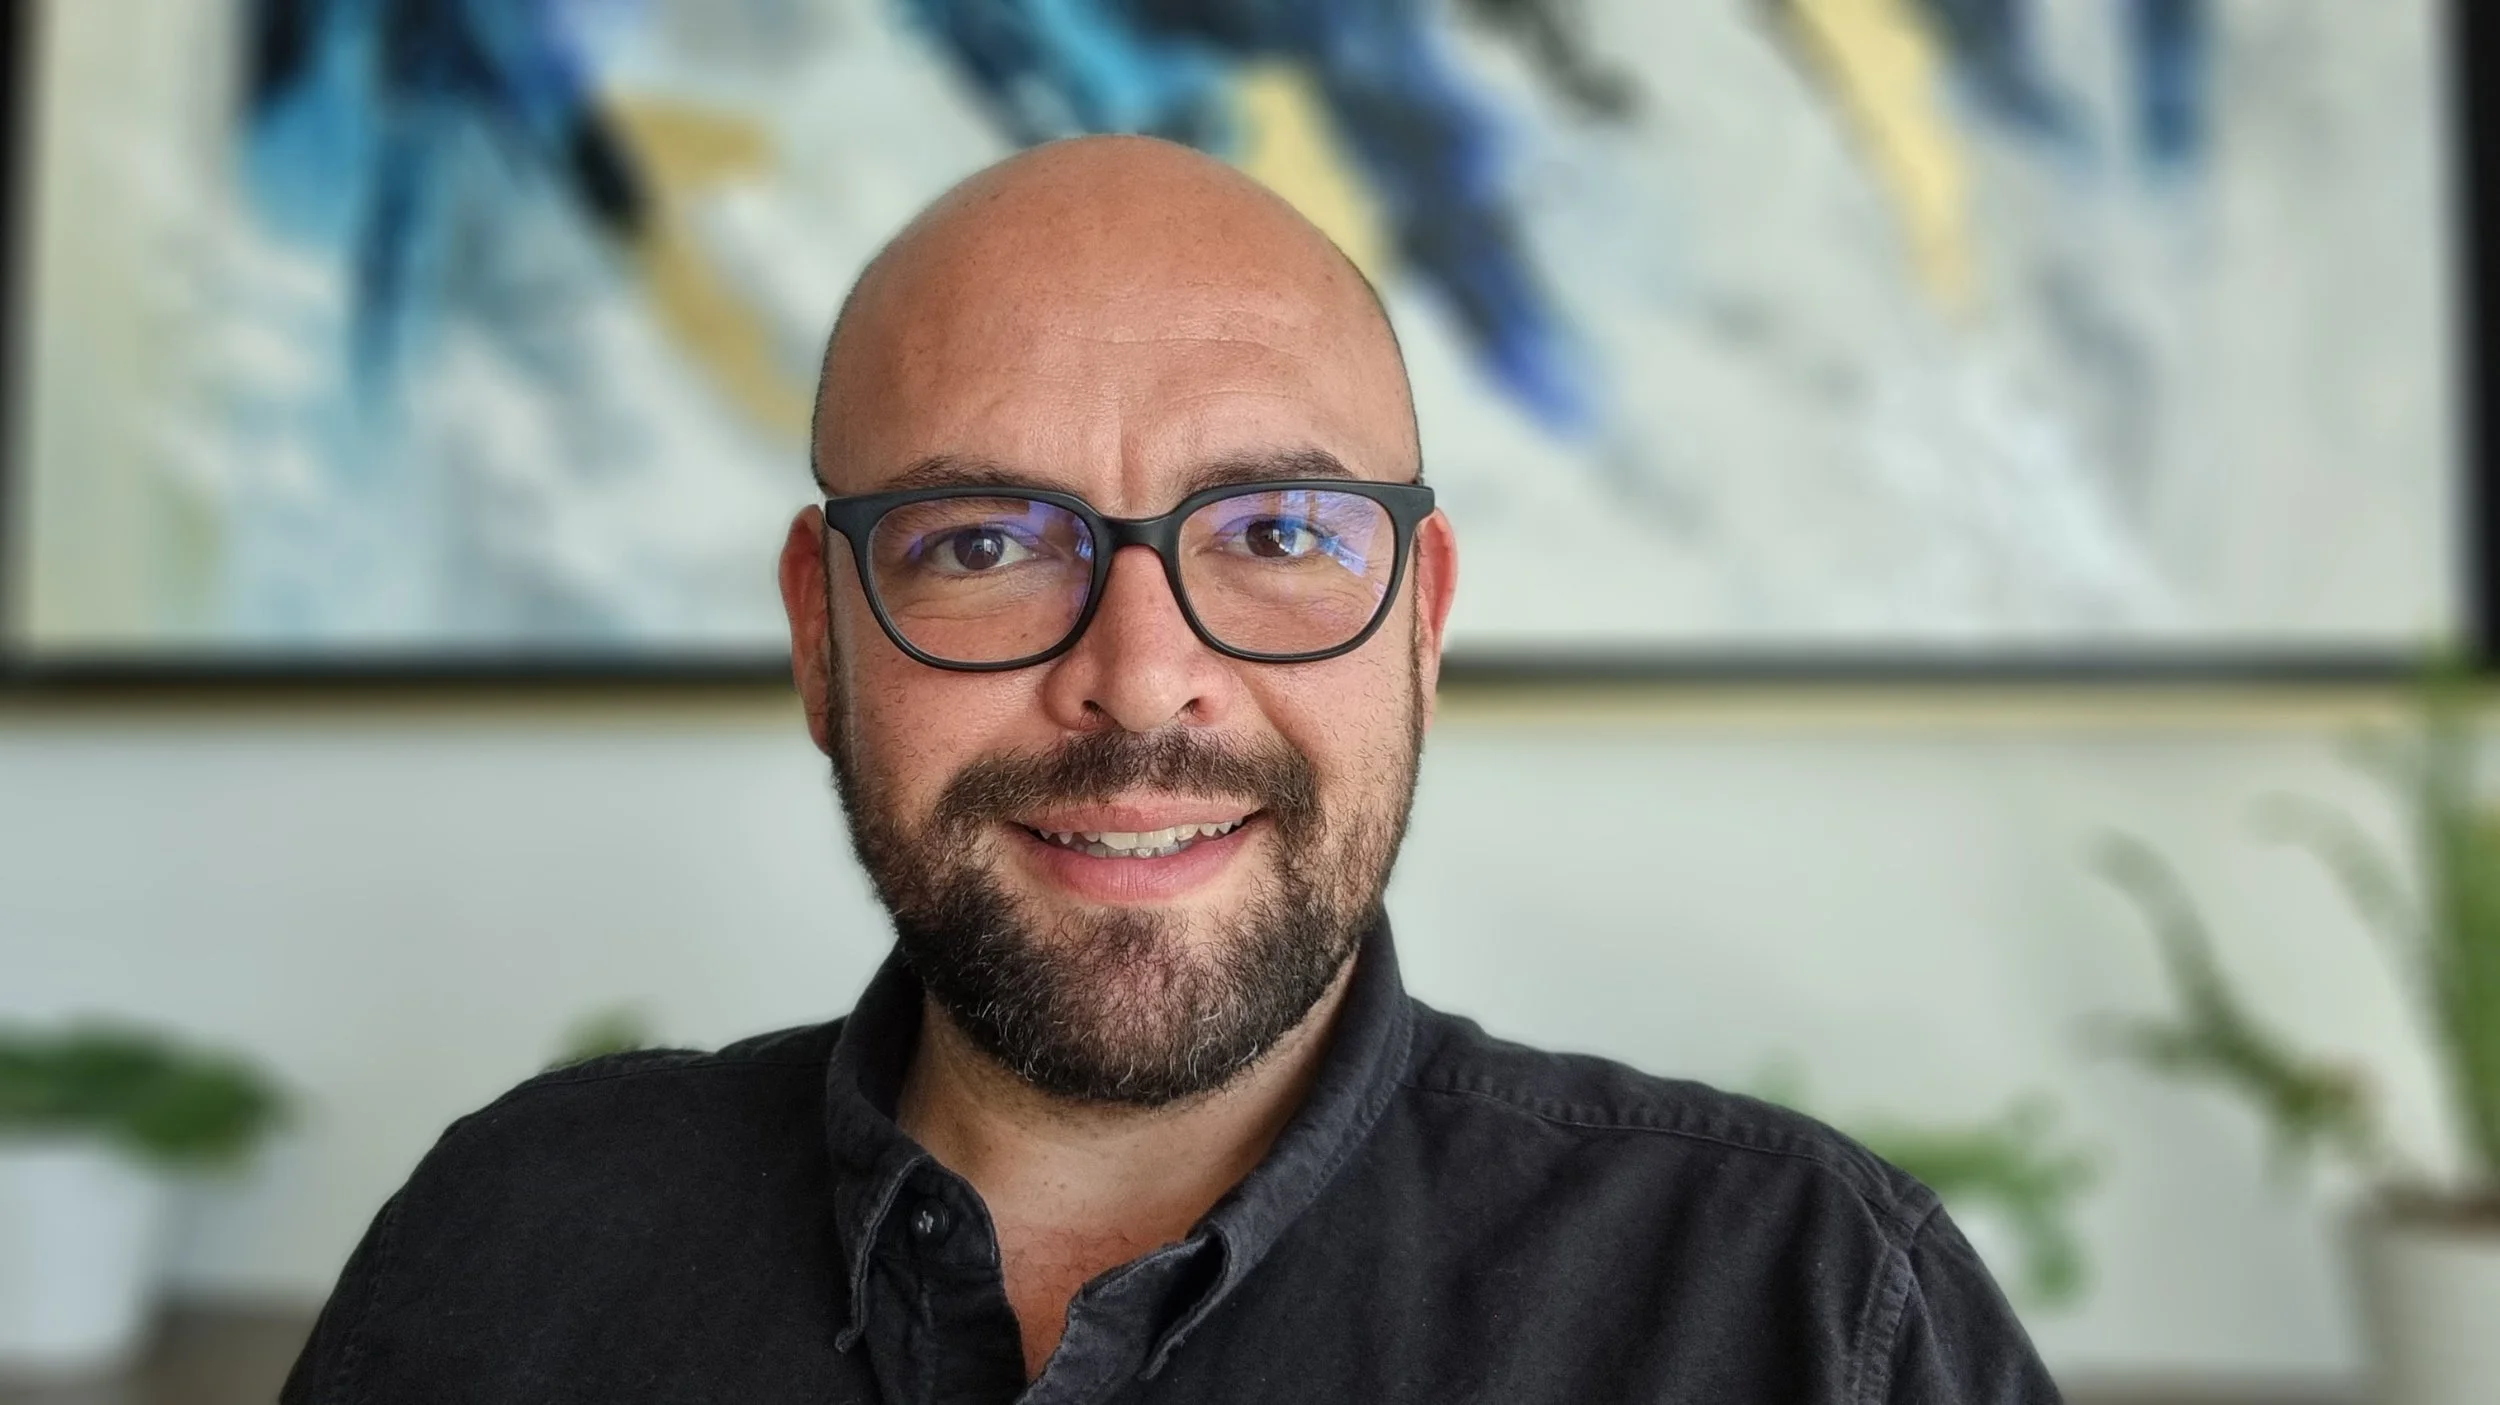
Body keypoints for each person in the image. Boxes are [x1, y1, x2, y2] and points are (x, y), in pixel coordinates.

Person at [283, 135, 2059, 1404]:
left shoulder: (1806, 1319)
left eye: (1280, 529)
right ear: (824, 641)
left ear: (1419, 623)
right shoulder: (516, 1242)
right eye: (981, 545)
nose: (1143, 677)